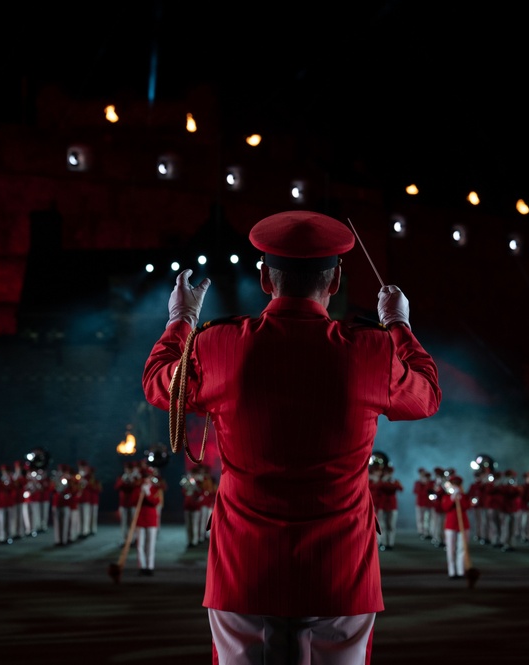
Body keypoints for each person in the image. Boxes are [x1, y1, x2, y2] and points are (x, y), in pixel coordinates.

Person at [142, 210, 442, 664]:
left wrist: (182, 319)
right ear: (335, 280)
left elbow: (159, 384)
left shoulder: (218, 343)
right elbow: (427, 396)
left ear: (264, 278)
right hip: (341, 574)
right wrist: (399, 327)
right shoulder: (371, 350)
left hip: (245, 570)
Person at [440, 475, 469, 579]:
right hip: (450, 525)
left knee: (461, 548)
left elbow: (467, 506)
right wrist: (452, 498)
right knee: (450, 549)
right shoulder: (447, 496)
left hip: (463, 525)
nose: (456, 486)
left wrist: (460, 497)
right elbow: (445, 507)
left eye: (458, 484)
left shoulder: (464, 496)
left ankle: (461, 571)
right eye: (454, 484)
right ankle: (452, 571)